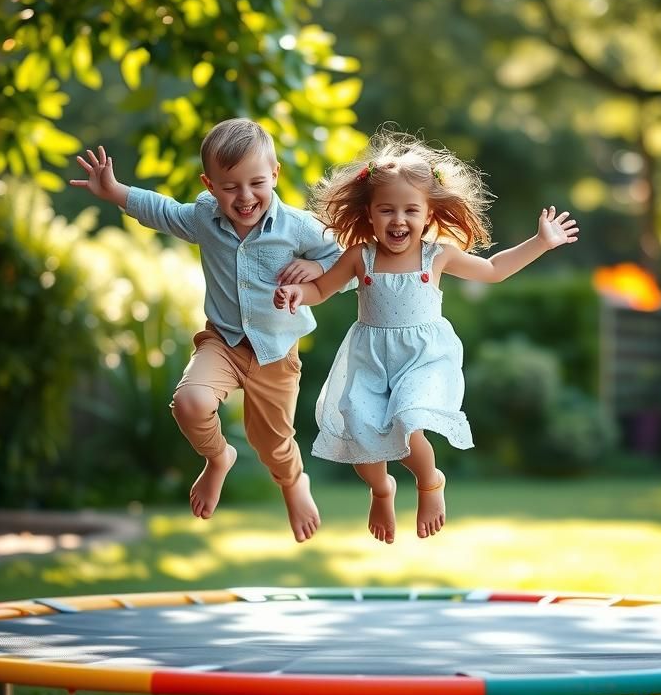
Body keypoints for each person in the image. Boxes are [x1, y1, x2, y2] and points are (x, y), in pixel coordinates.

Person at [273, 130, 578, 543]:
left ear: (429, 215)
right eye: (386, 210)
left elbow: (493, 270)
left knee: (409, 419)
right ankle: (381, 489)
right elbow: (323, 289)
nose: (398, 220)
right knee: (360, 434)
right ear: (369, 214)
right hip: (370, 358)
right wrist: (298, 292)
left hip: (422, 360)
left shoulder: (437, 256)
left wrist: (540, 243)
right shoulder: (359, 256)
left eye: (410, 210)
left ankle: (430, 482)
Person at [70, 119, 342, 542]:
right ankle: (218, 459)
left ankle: (293, 483)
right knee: (190, 402)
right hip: (224, 342)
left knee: (272, 444)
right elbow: (163, 211)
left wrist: (315, 270)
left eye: (256, 183)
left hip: (276, 350)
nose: (245, 196)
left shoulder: (299, 226)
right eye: (230, 186)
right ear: (210, 184)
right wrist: (115, 191)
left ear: (274, 175)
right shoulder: (203, 216)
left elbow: (341, 260)